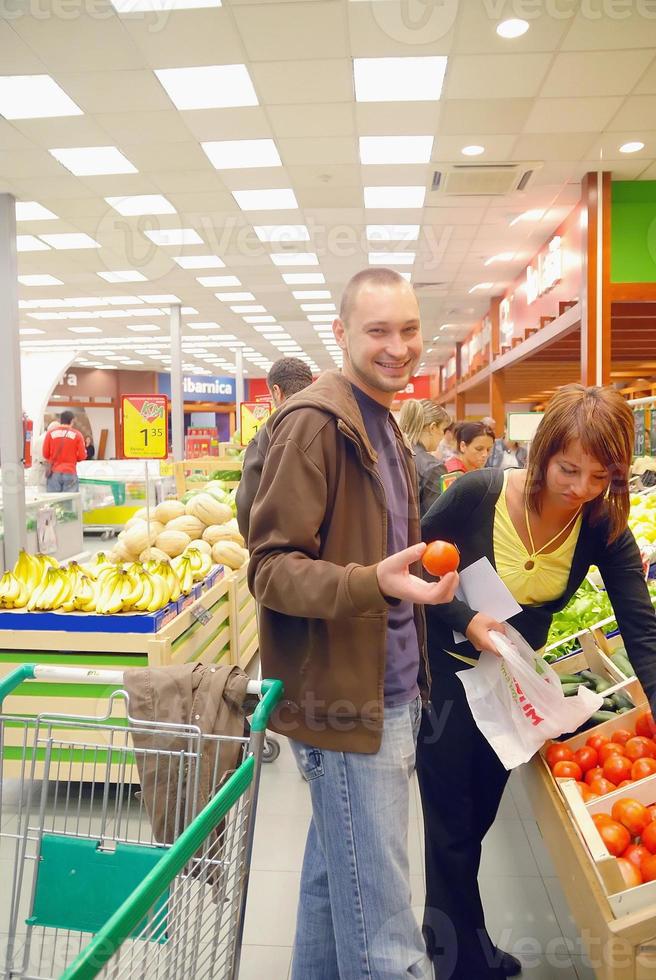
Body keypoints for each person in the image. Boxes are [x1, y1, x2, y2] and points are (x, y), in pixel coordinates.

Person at [248, 267, 459, 979]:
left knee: (333, 891)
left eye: (408, 330)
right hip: (350, 704)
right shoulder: (315, 424)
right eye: (378, 331)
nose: (398, 347)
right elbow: (270, 567)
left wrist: (415, 589)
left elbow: (375, 557)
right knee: (388, 935)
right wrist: (373, 582)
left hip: (383, 691)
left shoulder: (384, 423)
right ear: (341, 335)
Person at [417, 384, 656, 980]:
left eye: (599, 477)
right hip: (444, 680)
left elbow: (641, 630)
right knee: (449, 822)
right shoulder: (477, 495)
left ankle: (448, 929)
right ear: (543, 452)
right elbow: (410, 566)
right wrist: (462, 618)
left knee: (477, 819)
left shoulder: (602, 526)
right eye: (569, 469)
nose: (580, 488)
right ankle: (458, 957)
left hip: (510, 689)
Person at [235, 356, 313, 540]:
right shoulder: (336, 423)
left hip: (288, 551)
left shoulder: (267, 434)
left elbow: (247, 504)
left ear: (276, 391)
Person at [398, 399, 450, 516]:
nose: (442, 436)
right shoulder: (433, 467)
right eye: (443, 429)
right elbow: (437, 517)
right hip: (418, 532)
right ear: (432, 428)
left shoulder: (393, 453)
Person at [441, 421, 494, 491]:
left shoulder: (475, 470)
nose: (485, 454)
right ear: (463, 446)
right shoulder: (454, 474)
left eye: (488, 449)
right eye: (479, 449)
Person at [42, 411, 86, 493]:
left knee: (54, 502)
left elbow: (45, 454)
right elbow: (82, 456)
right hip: (70, 472)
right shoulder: (77, 435)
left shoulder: (50, 434)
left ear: (60, 420)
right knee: (68, 502)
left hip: (54, 472)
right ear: (72, 421)